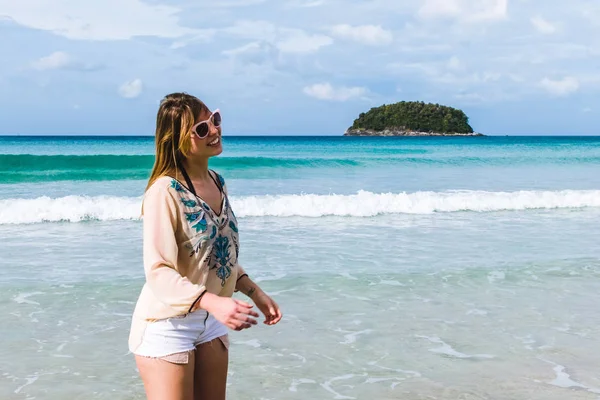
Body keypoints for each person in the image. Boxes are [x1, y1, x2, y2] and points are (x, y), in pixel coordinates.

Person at [128, 92, 282, 400]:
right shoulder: (164, 192)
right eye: (201, 128)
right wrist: (215, 302)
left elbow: (216, 256)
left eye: (215, 119)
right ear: (178, 140)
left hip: (210, 321)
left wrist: (254, 291)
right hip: (167, 325)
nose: (214, 130)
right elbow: (158, 271)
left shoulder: (218, 181)